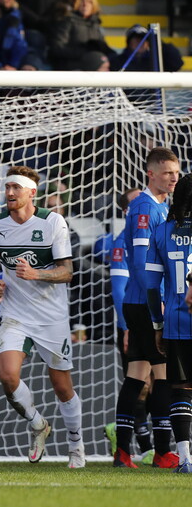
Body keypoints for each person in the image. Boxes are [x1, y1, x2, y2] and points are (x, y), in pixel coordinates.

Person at [0, 166, 83, 468]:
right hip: (15, 313)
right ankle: (38, 424)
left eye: (16, 188)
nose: (10, 193)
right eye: (7, 187)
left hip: (51, 317)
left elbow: (68, 272)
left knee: (62, 387)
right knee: (7, 375)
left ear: (32, 192)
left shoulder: (53, 222)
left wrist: (36, 272)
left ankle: (76, 445)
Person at [113, 146, 181, 469]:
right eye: (168, 172)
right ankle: (164, 451)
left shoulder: (160, 207)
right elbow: (140, 265)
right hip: (146, 304)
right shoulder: (145, 209)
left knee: (137, 376)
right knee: (165, 376)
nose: (173, 178)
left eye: (177, 173)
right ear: (150, 173)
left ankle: (124, 452)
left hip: (138, 303)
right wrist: (160, 307)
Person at [106, 188, 157, 463]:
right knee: (142, 382)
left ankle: (125, 433)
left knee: (158, 380)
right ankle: (145, 446)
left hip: (153, 318)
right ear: (128, 211)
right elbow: (118, 290)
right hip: (132, 320)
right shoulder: (120, 243)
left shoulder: (153, 236)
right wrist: (126, 327)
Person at [146, 173, 192, 473]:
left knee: (181, 390)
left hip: (177, 322)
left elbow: (152, 286)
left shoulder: (162, 231)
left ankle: (186, 458)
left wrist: (158, 325)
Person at [49, 0, 114, 71]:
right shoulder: (66, 21)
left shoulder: (95, 24)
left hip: (93, 65)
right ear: (73, 2)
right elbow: (57, 48)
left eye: (89, 1)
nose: (85, 4)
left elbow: (104, 48)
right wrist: (84, 53)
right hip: (72, 68)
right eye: (81, 1)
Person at [109, 24, 184, 73]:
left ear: (149, 43)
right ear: (128, 42)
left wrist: (158, 43)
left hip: (152, 97)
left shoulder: (156, 62)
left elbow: (177, 64)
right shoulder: (117, 61)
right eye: (136, 39)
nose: (140, 43)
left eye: (143, 39)